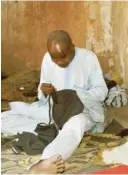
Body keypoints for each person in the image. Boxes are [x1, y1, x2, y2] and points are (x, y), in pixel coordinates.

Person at [2, 30, 108, 174]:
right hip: (54, 111)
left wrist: (75, 95)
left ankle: (46, 162)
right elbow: (42, 93)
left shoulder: (88, 58)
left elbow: (102, 92)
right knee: (9, 116)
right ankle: (56, 133)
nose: (60, 62)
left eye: (64, 57)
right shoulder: (47, 58)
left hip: (82, 111)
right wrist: (44, 91)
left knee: (75, 125)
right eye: (55, 59)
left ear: (72, 47)